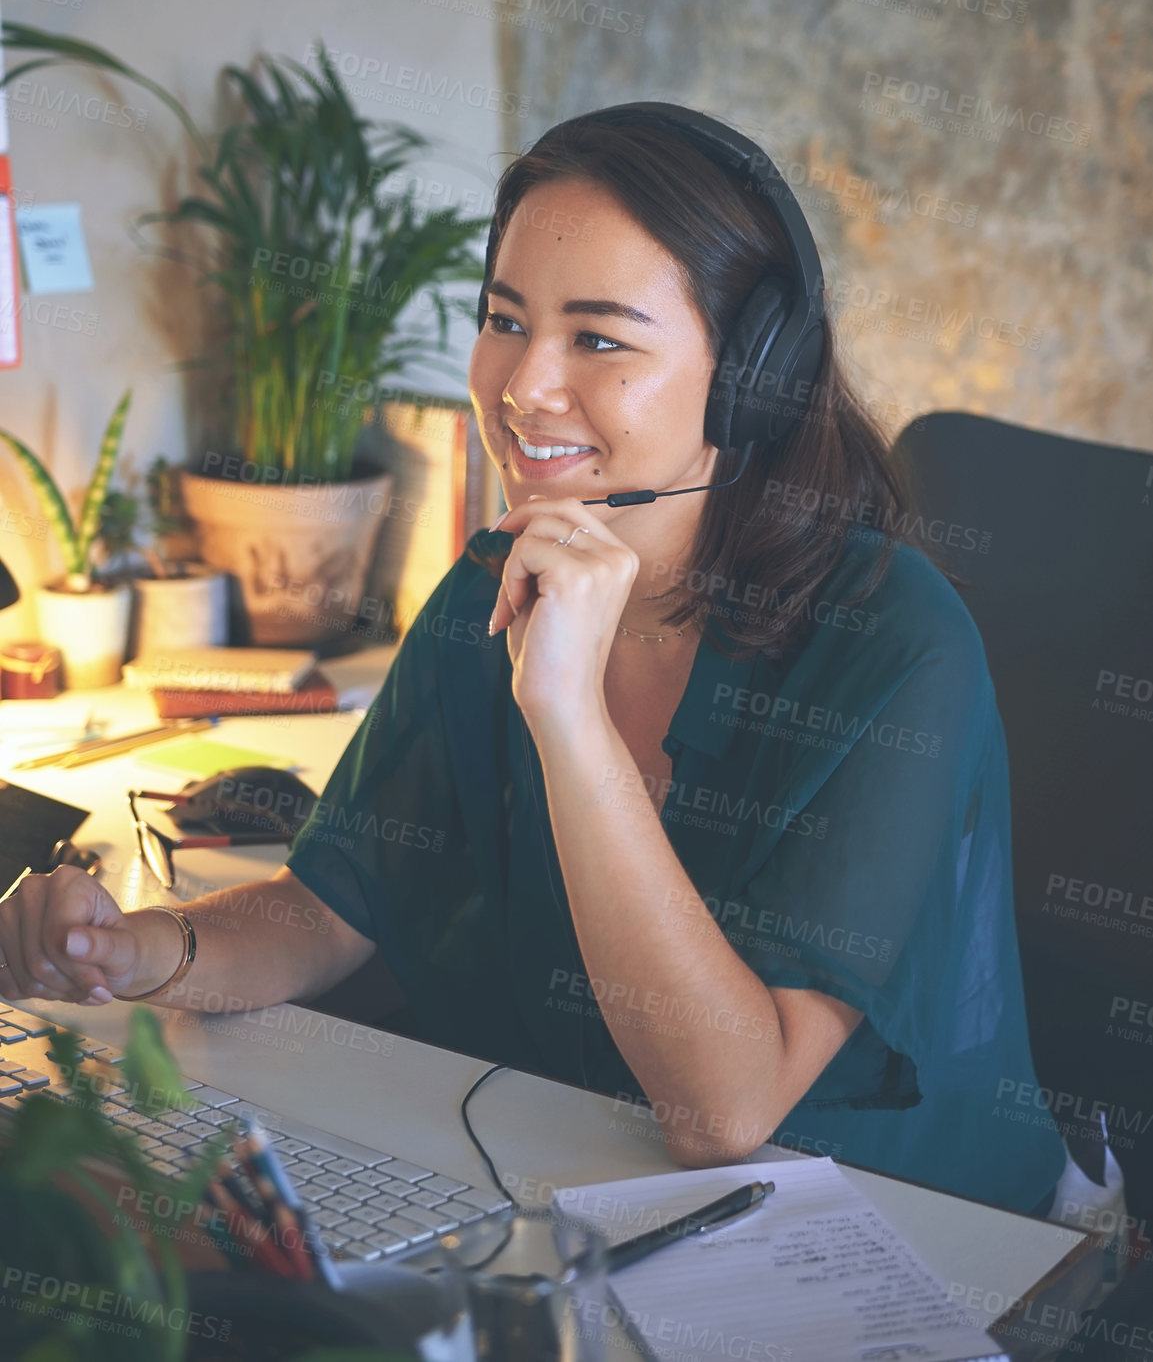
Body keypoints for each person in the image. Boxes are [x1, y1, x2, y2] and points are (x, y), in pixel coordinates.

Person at [0, 105, 1073, 1218]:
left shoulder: (893, 637)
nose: (522, 386)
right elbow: (327, 906)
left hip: (907, 1225)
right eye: (505, 319)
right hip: (588, 1173)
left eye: (600, 338)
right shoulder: (495, 577)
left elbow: (727, 1108)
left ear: (748, 378)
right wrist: (137, 949)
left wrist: (565, 711)